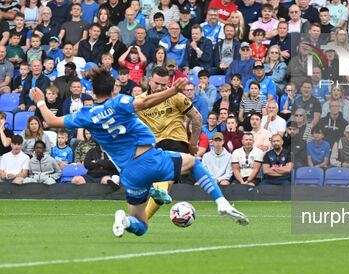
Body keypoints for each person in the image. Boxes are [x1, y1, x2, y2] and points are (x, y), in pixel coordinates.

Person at [32, 68, 248, 238]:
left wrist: (41, 100)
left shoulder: (85, 115)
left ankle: (126, 221)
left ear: (92, 90)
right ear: (113, 89)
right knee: (193, 162)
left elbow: (50, 121)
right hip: (149, 158)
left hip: (130, 174)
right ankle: (222, 203)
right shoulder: (120, 102)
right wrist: (173, 90)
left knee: (142, 224)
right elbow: (144, 101)